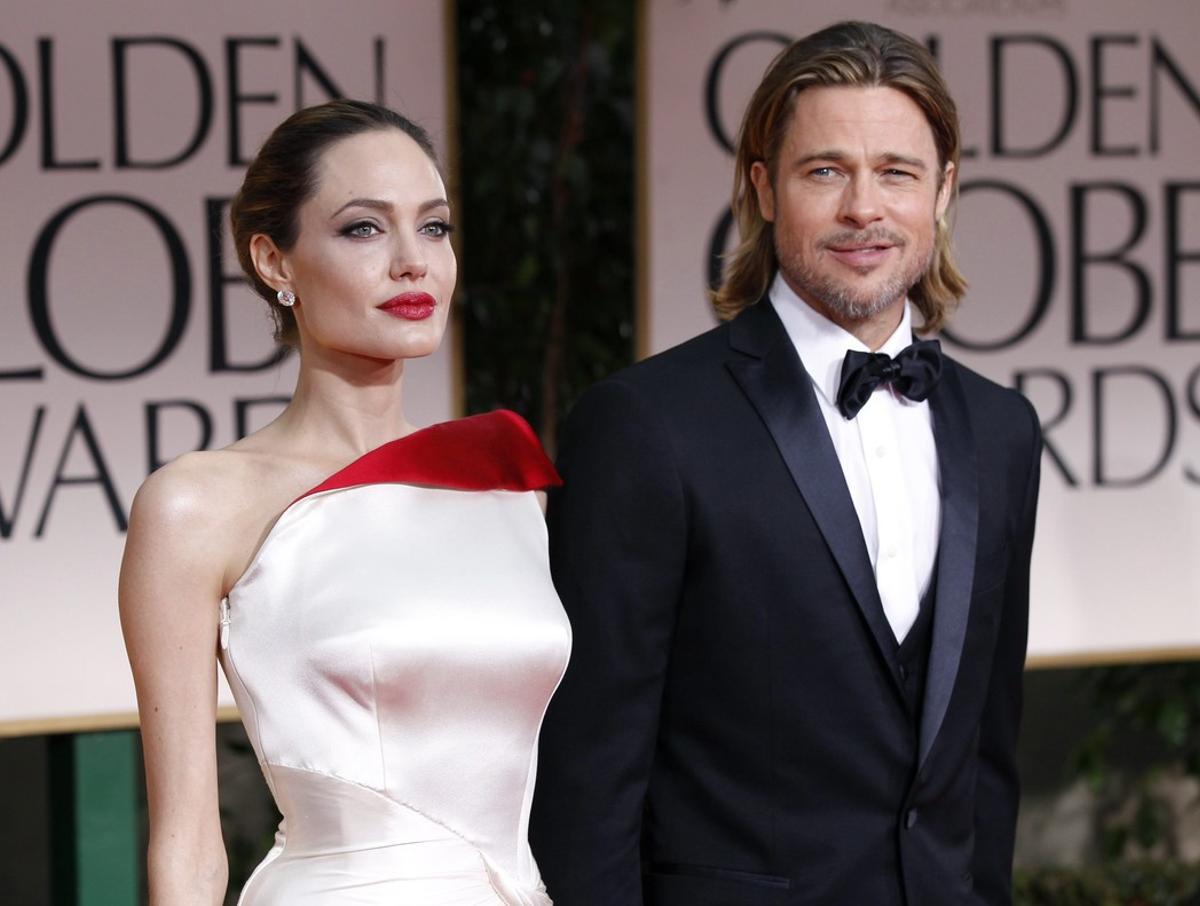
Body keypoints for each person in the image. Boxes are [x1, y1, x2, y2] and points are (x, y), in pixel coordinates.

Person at [530, 20, 1041, 906]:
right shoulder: (644, 426)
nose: (864, 209)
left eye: (897, 173)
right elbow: (585, 783)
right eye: (825, 171)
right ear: (764, 188)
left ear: (944, 190)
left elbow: (986, 759)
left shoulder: (1003, 432)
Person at [120, 99, 568, 906]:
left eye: (434, 227)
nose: (413, 262)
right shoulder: (198, 505)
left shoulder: (507, 488)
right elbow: (186, 844)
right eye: (364, 228)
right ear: (275, 261)